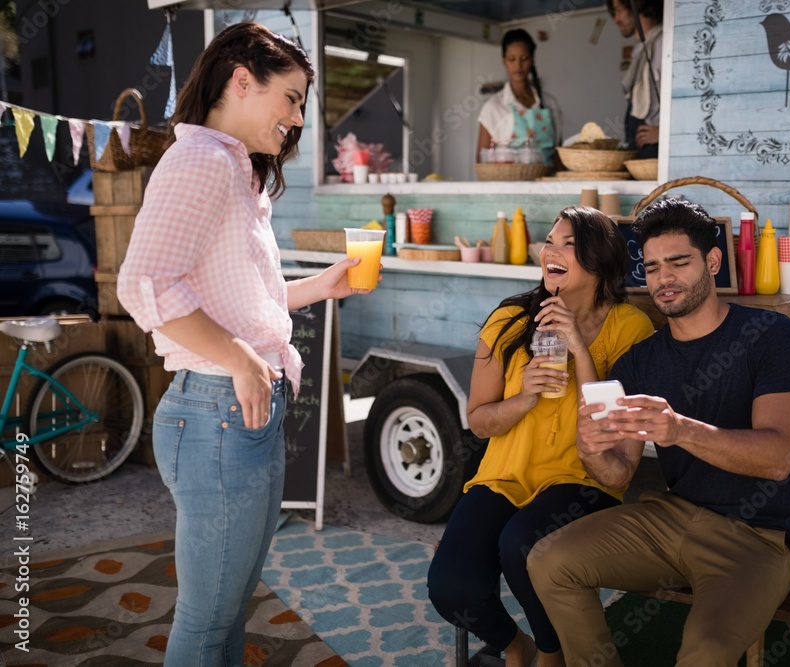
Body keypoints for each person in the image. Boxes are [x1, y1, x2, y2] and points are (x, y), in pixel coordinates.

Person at [117, 22, 377, 666]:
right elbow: (143, 284)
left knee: (228, 613)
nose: (295, 117)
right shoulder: (202, 161)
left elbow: (241, 301)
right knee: (208, 625)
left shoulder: (236, 169)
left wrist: (323, 284)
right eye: (289, 97)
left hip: (239, 417)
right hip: (216, 416)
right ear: (240, 80)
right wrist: (242, 361)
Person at [527, 198, 790, 666]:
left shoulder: (773, 335)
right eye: (654, 266)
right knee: (548, 561)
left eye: (679, 263)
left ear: (713, 262)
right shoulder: (640, 360)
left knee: (703, 654)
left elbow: (777, 457)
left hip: (756, 537)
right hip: (670, 518)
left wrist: (679, 430)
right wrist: (591, 448)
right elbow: (617, 475)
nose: (664, 279)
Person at [427, 206, 654, 667]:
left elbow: (615, 424)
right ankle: (517, 646)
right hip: (505, 477)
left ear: (599, 262)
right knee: (452, 588)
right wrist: (523, 398)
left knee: (522, 544)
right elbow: (479, 420)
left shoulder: (630, 327)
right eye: (550, 241)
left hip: (583, 480)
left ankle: (551, 653)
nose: (552, 251)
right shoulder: (509, 320)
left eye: (569, 244)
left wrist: (580, 349)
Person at [477, 29, 562, 164]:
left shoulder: (550, 103)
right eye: (512, 59)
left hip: (546, 183)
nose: (518, 65)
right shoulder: (494, 107)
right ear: (504, 61)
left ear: (532, 60)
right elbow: (483, 161)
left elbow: (558, 155)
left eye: (524, 59)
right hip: (510, 184)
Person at [607, 0, 664, 159]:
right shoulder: (639, 49)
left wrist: (666, 133)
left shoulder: (663, 43)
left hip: (654, 145)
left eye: (618, 10)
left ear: (635, 5)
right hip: (638, 141)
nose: (616, 19)